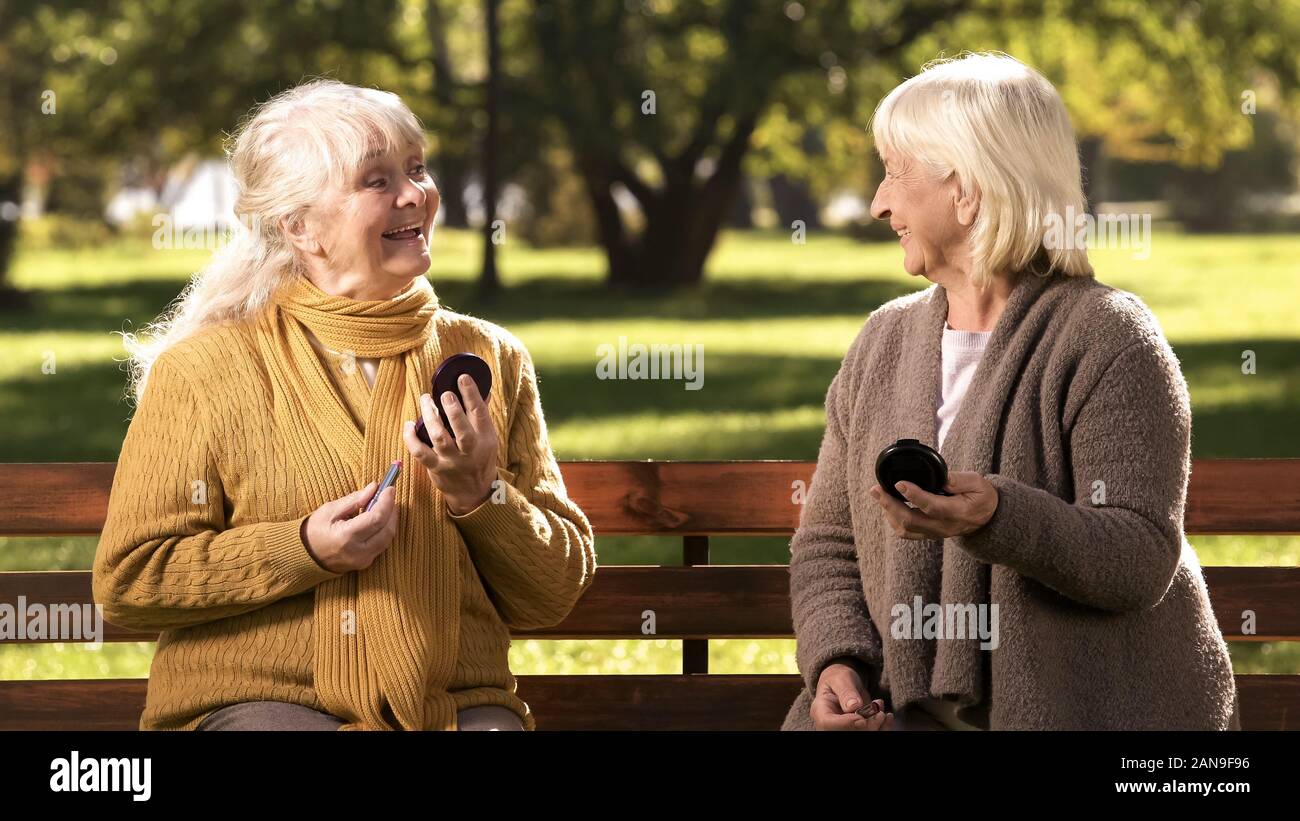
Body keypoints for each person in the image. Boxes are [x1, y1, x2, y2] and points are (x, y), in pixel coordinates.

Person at [93, 79, 596, 731]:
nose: (415, 193)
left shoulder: (490, 358)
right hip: (263, 704)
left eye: (416, 169)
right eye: (377, 180)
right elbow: (131, 578)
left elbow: (552, 591)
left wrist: (481, 493)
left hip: (454, 707)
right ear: (301, 226)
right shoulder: (206, 370)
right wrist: (304, 547)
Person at [781, 53, 1239, 731]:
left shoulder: (1111, 338)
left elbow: (1139, 555)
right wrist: (836, 666)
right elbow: (827, 545)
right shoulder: (883, 342)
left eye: (895, 173)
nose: (879, 202)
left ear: (967, 189)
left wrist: (998, 515)